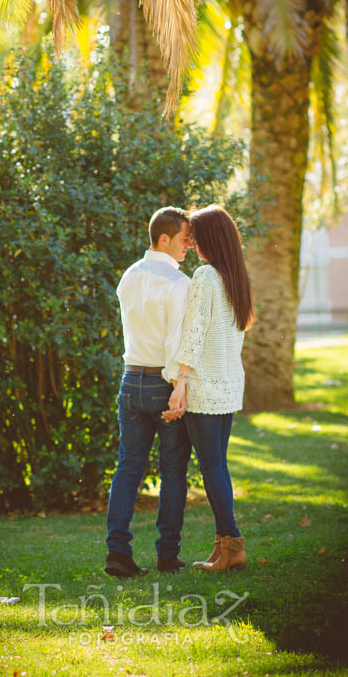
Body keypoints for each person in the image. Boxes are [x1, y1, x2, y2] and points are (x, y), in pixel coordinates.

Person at [163, 204, 254, 573]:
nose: (194, 245)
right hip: (229, 383)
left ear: (209, 240)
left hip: (204, 384)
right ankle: (223, 547)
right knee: (218, 465)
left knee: (212, 466)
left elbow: (194, 333)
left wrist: (180, 379)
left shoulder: (205, 276)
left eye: (196, 239)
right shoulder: (236, 277)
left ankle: (233, 543)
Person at [104, 207, 193, 578]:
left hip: (130, 379)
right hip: (163, 382)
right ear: (164, 239)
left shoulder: (129, 276)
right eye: (185, 238)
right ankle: (167, 555)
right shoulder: (179, 283)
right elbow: (176, 341)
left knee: (128, 467)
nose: (190, 245)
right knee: (173, 471)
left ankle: (117, 554)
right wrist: (179, 387)